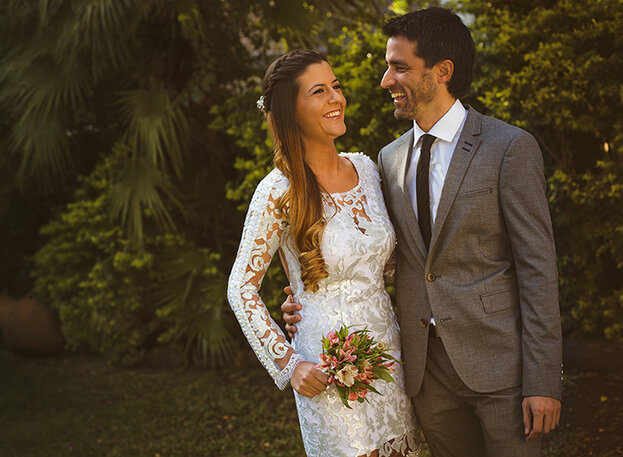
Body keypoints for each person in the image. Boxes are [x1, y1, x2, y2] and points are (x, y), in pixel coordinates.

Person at [283, 7, 562, 457]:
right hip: (425, 375)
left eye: (399, 67)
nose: (385, 80)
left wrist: (544, 379)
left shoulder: (509, 148)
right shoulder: (386, 160)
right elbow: (375, 254)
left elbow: (538, 270)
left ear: (442, 72)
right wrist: (306, 292)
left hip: (502, 371)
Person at [227, 50, 420, 457]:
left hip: (391, 354)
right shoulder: (277, 191)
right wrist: (289, 363)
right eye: (319, 91)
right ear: (289, 111)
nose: (336, 98)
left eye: (336, 86)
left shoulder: (368, 170)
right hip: (328, 371)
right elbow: (241, 287)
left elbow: (384, 267)